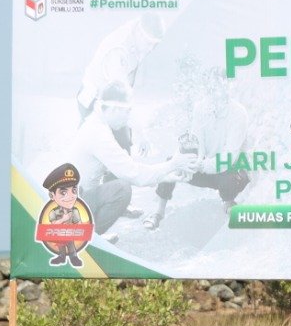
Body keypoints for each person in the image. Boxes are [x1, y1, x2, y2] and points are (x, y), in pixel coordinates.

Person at [73, 82, 199, 235]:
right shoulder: (98, 133)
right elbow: (133, 173)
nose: (128, 119)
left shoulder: (98, 123)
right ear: (113, 109)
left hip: (77, 198)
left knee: (119, 184)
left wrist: (166, 177)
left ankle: (87, 232)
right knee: (122, 189)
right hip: (73, 204)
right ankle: (87, 236)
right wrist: (173, 164)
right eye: (127, 112)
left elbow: (130, 170)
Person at [142, 84, 252, 229]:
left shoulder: (238, 113)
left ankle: (229, 203)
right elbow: (196, 140)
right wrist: (191, 161)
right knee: (173, 163)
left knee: (228, 179)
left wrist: (203, 166)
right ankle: (158, 213)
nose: (214, 97)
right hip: (206, 166)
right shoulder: (201, 107)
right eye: (211, 91)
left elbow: (230, 156)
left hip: (232, 170)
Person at [76, 13, 165, 119]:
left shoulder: (138, 30)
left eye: (155, 44)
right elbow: (121, 95)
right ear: (140, 34)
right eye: (149, 43)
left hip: (107, 95)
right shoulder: (118, 51)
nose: (151, 48)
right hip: (92, 99)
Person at [37, 162, 89, 269]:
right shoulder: (53, 212)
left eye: (74, 190)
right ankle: (61, 256)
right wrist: (63, 219)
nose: (71, 196)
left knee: (70, 244)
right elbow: (53, 225)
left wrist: (78, 229)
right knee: (60, 245)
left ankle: (74, 257)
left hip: (70, 234)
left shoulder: (74, 211)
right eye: (63, 192)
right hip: (59, 235)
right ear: (52, 195)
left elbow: (80, 225)